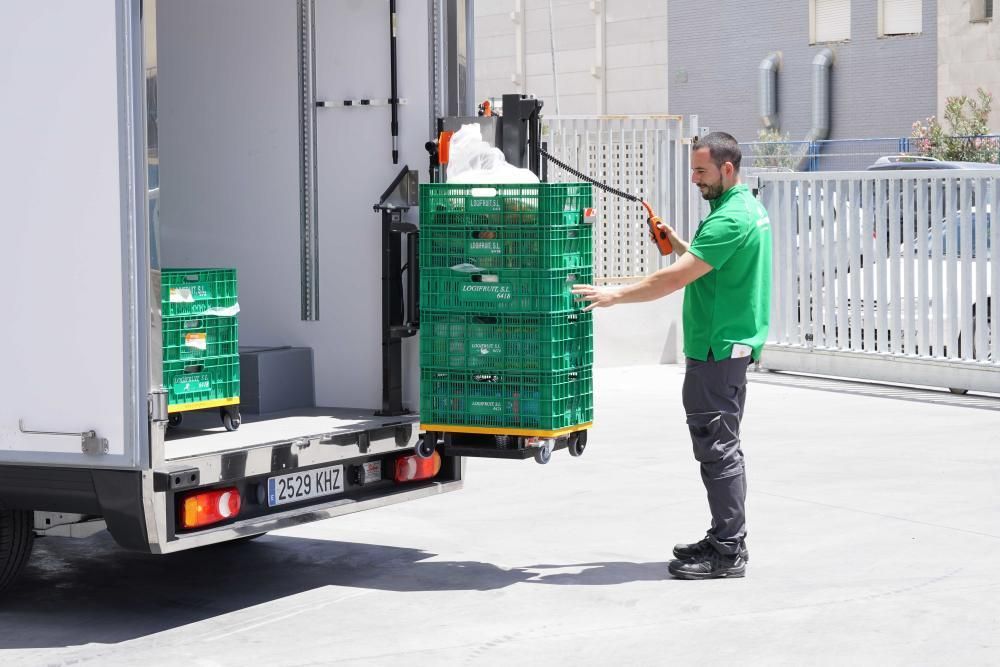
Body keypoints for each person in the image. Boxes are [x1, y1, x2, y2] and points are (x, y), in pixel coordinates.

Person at [571, 132, 772, 580]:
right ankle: (724, 537)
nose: (695, 179)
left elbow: (674, 280)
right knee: (721, 446)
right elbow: (704, 264)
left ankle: (728, 551)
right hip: (727, 346)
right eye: (693, 170)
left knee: (717, 449)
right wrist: (677, 241)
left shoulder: (729, 220)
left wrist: (615, 295)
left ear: (727, 169)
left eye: (701, 171)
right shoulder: (745, 208)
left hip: (717, 348)